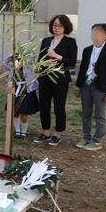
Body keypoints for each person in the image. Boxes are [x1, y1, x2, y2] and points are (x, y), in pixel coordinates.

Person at [33, 15, 78, 146]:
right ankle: (45, 132)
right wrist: (45, 62)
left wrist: (57, 56)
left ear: (66, 27)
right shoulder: (46, 41)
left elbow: (72, 62)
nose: (57, 28)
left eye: (60, 25)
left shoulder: (70, 42)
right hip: (45, 77)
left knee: (59, 106)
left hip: (60, 79)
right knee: (44, 106)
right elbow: (40, 60)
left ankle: (57, 134)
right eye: (55, 25)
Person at [74, 23, 106, 150]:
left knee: (100, 114)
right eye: (93, 32)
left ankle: (97, 140)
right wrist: (78, 86)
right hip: (86, 83)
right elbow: (82, 69)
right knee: (86, 113)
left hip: (102, 86)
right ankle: (86, 137)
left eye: (98, 32)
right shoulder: (87, 50)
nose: (95, 35)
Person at [2, 51, 39, 138]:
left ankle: (24, 131)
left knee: (24, 113)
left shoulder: (28, 68)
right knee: (15, 112)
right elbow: (4, 62)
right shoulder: (12, 68)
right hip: (14, 90)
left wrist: (23, 52)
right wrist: (13, 54)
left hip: (25, 91)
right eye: (16, 61)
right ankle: (17, 130)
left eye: (20, 61)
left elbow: (33, 57)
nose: (18, 63)